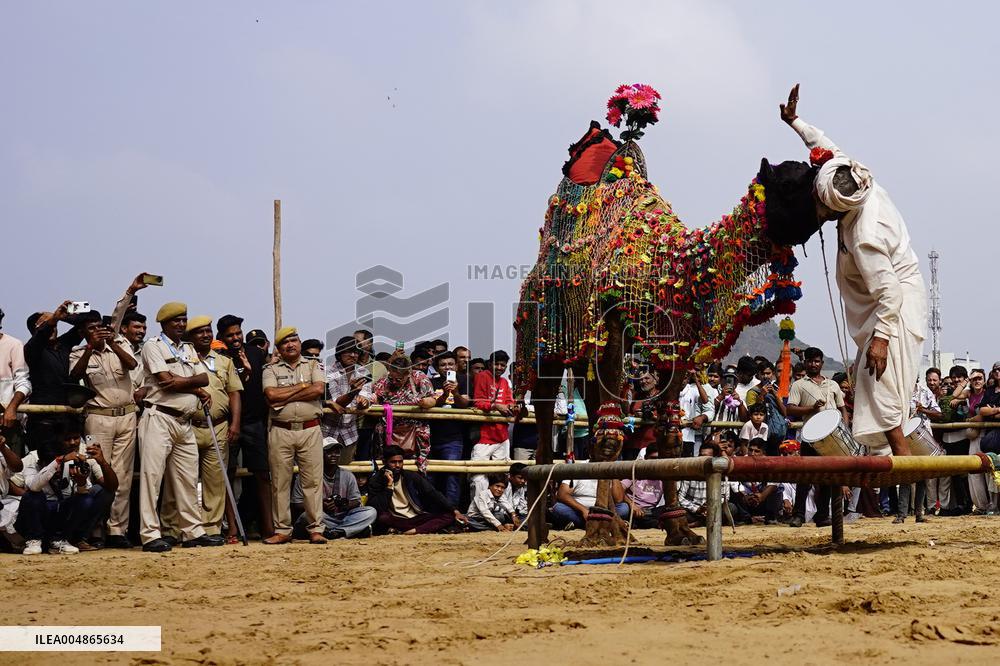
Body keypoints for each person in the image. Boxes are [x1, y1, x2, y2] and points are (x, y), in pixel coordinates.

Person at [781, 85, 928, 457]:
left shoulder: (865, 236)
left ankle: (909, 483)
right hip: (880, 306)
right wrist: (795, 121)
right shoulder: (852, 176)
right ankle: (891, 477)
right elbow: (824, 143)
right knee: (871, 389)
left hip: (895, 306)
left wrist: (880, 339)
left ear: (837, 210)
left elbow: (890, 292)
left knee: (884, 392)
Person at [137, 302, 217, 552]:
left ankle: (192, 531)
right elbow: (164, 381)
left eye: (184, 319)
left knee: (188, 479)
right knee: (152, 478)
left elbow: (204, 377)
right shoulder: (153, 346)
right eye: (176, 321)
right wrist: (193, 384)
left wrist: (187, 383)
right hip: (159, 417)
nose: (182, 324)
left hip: (185, 421)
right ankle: (150, 534)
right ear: (164, 324)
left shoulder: (189, 348)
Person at [161, 317, 243, 542]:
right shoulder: (181, 359)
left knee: (215, 482)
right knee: (178, 479)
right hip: (187, 425)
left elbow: (235, 393)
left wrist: (235, 423)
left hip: (218, 426)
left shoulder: (224, 361)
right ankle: (171, 529)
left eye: (208, 331)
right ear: (190, 337)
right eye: (199, 332)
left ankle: (210, 529)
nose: (206, 335)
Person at [68, 315, 139, 548]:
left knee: (123, 478)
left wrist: (113, 343)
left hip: (127, 416)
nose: (98, 331)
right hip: (97, 418)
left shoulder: (118, 346)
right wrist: (90, 347)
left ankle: (117, 531)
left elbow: (133, 364)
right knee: (95, 472)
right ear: (84, 332)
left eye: (100, 327)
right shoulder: (78, 352)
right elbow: (75, 376)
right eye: (92, 329)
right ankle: (93, 531)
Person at [262, 327, 327, 545]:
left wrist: (286, 395)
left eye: (294, 340)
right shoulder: (270, 370)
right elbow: (271, 395)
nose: (290, 345)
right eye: (285, 342)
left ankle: (316, 529)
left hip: (310, 429)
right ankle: (282, 530)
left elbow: (318, 390)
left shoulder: (313, 365)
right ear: (279, 349)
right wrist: (301, 387)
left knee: (313, 482)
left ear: (299, 342)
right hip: (281, 430)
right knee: (280, 482)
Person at [14, 419, 117, 554]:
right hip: (38, 513)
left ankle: (65, 539)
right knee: (32, 496)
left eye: (76, 438)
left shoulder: (74, 459)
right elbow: (34, 486)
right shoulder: (35, 459)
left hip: (59, 513)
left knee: (85, 499)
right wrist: (57, 462)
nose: (73, 443)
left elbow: (77, 498)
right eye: (67, 439)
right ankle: (34, 539)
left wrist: (81, 482)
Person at [217, 314, 273, 540]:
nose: (236, 338)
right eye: (230, 335)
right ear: (222, 337)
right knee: (227, 475)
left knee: (262, 474)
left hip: (255, 423)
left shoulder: (256, 353)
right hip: (228, 424)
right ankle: (232, 528)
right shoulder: (219, 357)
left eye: (238, 333)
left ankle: (268, 527)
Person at [784, 347, 848, 528]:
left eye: (817, 361)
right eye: (810, 361)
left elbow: (842, 408)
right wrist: (811, 409)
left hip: (832, 439)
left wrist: (844, 426)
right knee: (805, 477)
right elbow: (790, 409)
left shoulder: (833, 385)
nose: (814, 364)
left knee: (827, 477)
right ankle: (798, 515)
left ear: (822, 363)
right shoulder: (798, 385)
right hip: (810, 437)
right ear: (805, 363)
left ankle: (822, 516)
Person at [366, 445, 466, 534]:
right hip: (395, 519)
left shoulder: (410, 476)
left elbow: (432, 492)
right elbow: (378, 507)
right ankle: (424, 529)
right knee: (382, 519)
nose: (397, 465)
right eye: (393, 462)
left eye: (400, 462)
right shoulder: (376, 480)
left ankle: (413, 531)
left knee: (449, 515)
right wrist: (389, 486)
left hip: (414, 517)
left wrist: (454, 510)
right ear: (384, 462)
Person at [291, 438, 376, 539]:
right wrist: (320, 505)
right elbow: (296, 503)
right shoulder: (307, 476)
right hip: (320, 517)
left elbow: (356, 501)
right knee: (306, 516)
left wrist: (343, 504)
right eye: (329, 452)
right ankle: (350, 531)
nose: (334, 455)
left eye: (337, 452)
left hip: (342, 516)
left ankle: (335, 532)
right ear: (320, 454)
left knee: (370, 512)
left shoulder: (348, 475)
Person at [370, 355, 436, 471]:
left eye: (399, 379)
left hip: (414, 429)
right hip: (389, 428)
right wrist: (373, 398)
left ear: (408, 373)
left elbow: (432, 399)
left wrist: (423, 402)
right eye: (392, 378)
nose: (394, 382)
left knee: (413, 470)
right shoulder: (385, 380)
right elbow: (374, 395)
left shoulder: (419, 377)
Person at [429, 351, 471, 506]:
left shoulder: (465, 379)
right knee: (430, 476)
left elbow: (465, 404)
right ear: (437, 368)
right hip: (430, 436)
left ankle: (452, 513)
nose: (447, 367)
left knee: (452, 475)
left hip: (454, 437)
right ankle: (432, 513)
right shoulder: (430, 382)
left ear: (456, 365)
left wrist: (456, 392)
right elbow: (428, 404)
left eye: (450, 364)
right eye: (443, 365)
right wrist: (444, 395)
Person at [323, 336, 373, 464]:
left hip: (350, 433)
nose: (353, 355)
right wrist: (353, 392)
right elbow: (336, 403)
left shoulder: (363, 372)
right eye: (349, 352)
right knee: (323, 471)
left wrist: (363, 402)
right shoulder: (328, 371)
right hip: (327, 432)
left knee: (345, 472)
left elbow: (366, 399)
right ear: (340, 353)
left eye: (356, 352)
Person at [471, 351, 515, 491]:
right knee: (479, 476)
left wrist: (511, 406)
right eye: (497, 364)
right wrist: (495, 405)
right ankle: (477, 512)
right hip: (483, 435)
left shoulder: (504, 382)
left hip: (502, 435)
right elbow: (478, 402)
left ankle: (501, 511)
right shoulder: (482, 376)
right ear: (490, 364)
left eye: (503, 365)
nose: (500, 367)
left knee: (502, 475)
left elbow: (509, 401)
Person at [0, 308, 31, 455]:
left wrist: (11, 408)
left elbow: (24, 383)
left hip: (7, 424)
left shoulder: (14, 345)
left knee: (13, 475)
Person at [730, 439, 782, 524]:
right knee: (733, 490)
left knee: (778, 488)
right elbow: (734, 483)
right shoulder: (742, 461)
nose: (752, 454)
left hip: (762, 498)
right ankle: (747, 518)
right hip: (746, 498)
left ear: (764, 453)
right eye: (750, 450)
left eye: (757, 451)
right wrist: (745, 496)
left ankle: (770, 518)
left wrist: (762, 495)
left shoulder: (770, 462)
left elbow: (774, 482)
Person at [676, 442, 723, 527]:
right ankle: (703, 521)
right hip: (693, 511)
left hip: (714, 509)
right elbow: (680, 497)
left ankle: (700, 522)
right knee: (679, 513)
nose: (702, 459)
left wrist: (711, 506)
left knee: (731, 508)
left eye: (706, 457)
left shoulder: (721, 473)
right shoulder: (690, 472)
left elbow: (724, 497)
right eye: (701, 456)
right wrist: (697, 509)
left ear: (715, 458)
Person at [622, 447, 666, 528]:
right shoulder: (636, 472)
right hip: (631, 509)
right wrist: (632, 505)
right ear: (645, 458)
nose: (655, 462)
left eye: (658, 459)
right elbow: (619, 490)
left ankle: (636, 523)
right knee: (623, 510)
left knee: (668, 509)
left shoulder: (664, 476)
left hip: (649, 511)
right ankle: (648, 523)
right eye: (653, 458)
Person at [0, 432, 24, 551]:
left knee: (27, 504)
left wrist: (3, 447)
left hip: (3, 500)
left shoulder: (1, 447)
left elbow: (17, 467)